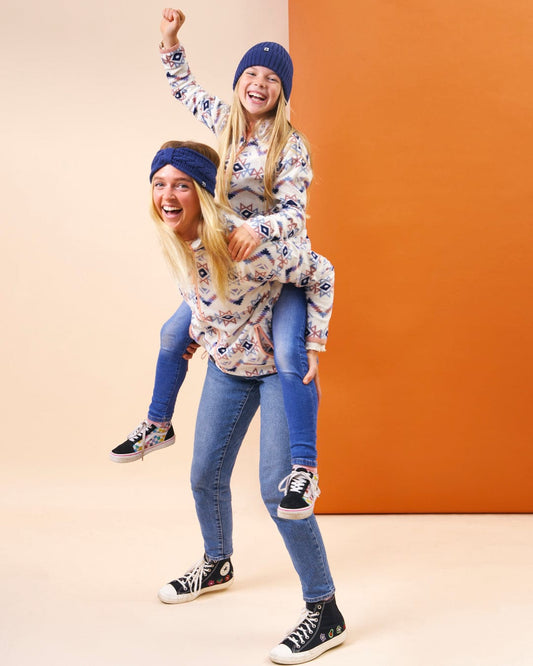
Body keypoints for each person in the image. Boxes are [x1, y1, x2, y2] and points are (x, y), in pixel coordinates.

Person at [110, 8, 326, 521]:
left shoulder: (290, 146)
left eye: (272, 79)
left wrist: (259, 230)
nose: (259, 84)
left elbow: (294, 214)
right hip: (228, 259)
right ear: (238, 82)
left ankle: (305, 468)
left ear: (282, 93)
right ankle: (158, 423)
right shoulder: (225, 123)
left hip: (276, 264)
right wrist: (170, 40)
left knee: (290, 357)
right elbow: (184, 88)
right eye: (252, 74)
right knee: (173, 334)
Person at [145, 139, 345, 664]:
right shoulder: (177, 240)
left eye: (181, 185)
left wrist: (313, 341)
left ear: (204, 192)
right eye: (160, 184)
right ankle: (217, 564)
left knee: (279, 494)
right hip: (230, 370)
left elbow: (319, 271)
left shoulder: (242, 242)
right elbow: (204, 304)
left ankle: (324, 609)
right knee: (204, 475)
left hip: (280, 373)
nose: (168, 195)